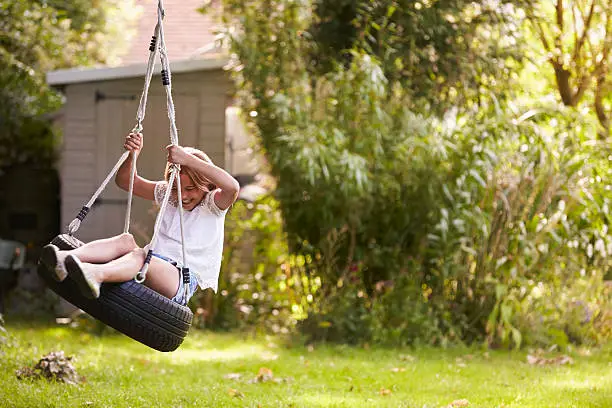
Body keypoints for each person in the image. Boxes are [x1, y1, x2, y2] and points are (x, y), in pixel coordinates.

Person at [40, 132, 240, 305]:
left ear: (207, 186)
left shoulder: (213, 205)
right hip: (151, 265)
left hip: (179, 281)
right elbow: (126, 181)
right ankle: (62, 259)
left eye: (190, 189)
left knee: (142, 256)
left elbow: (232, 187)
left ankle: (95, 274)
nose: (183, 196)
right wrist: (133, 155)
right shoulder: (168, 194)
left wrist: (188, 160)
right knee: (125, 241)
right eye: (177, 189)